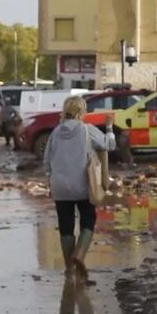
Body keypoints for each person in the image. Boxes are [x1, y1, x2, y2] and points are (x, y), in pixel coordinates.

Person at [44, 96, 115, 277]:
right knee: (88, 220)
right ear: (81, 112)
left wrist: (49, 181)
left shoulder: (55, 132)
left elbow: (47, 162)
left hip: (60, 187)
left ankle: (69, 269)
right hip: (83, 185)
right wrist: (109, 127)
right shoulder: (87, 130)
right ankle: (79, 255)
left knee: (65, 226)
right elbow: (109, 144)